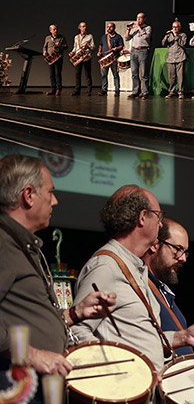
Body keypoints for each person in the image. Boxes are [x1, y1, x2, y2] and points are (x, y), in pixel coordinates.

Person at [75, 185, 194, 373]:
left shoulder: (134, 268)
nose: (160, 224)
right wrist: (117, 370)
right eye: (158, 216)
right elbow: (76, 332)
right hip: (125, 392)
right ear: (142, 217)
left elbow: (138, 339)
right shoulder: (105, 267)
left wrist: (181, 338)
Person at [0, 155, 114, 378]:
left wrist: (76, 312)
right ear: (29, 195)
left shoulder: (20, 244)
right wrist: (32, 355)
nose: (55, 201)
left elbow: (25, 314)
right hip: (16, 391)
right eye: (51, 193)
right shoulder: (3, 244)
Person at [144, 217, 193, 353]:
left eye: (185, 252)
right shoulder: (139, 287)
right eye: (178, 249)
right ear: (155, 244)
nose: (183, 258)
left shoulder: (163, 291)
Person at [126, 13, 152, 98]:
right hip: (134, 51)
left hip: (143, 51)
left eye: (140, 18)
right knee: (134, 73)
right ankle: (135, 91)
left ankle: (145, 92)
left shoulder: (148, 28)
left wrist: (139, 27)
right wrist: (128, 29)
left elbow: (145, 37)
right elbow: (127, 38)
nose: (138, 20)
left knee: (144, 73)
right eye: (137, 18)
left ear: (144, 19)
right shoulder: (134, 29)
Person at [162, 19, 187, 98]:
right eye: (173, 27)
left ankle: (180, 92)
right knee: (171, 76)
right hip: (171, 58)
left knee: (180, 76)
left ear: (179, 27)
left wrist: (176, 36)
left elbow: (183, 43)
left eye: (176, 27)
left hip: (180, 57)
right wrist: (166, 37)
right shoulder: (169, 34)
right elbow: (163, 43)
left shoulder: (183, 35)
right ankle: (171, 91)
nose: (175, 28)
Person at [97, 22, 124, 96]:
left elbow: (121, 46)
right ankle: (104, 90)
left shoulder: (118, 37)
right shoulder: (104, 37)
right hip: (105, 58)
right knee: (104, 75)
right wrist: (99, 52)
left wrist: (116, 48)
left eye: (110, 27)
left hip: (113, 58)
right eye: (108, 27)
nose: (109, 28)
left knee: (115, 75)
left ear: (114, 28)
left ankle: (117, 90)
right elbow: (101, 45)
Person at [42, 24, 68, 96]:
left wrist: (61, 45)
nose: (55, 31)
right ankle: (53, 88)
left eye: (56, 29)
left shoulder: (61, 37)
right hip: (50, 58)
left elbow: (66, 46)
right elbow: (44, 47)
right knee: (51, 74)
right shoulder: (47, 38)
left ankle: (58, 89)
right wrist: (44, 51)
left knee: (58, 73)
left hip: (58, 57)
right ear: (50, 31)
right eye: (54, 29)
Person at [71, 21, 94, 96]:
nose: (84, 28)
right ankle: (77, 90)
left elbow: (93, 47)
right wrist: (72, 52)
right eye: (83, 26)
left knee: (87, 74)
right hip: (78, 57)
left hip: (86, 57)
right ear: (79, 28)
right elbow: (75, 47)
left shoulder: (89, 36)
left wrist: (89, 47)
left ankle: (89, 90)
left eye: (85, 26)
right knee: (77, 74)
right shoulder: (76, 37)